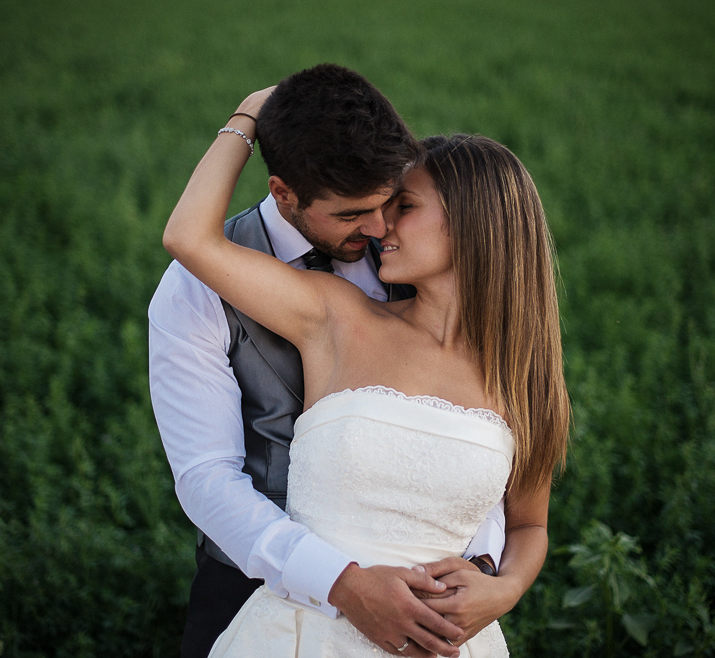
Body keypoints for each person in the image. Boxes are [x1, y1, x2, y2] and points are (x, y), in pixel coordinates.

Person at [160, 77, 570, 657]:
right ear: (283, 194)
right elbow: (186, 237)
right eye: (373, 209)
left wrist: (504, 588)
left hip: (443, 639)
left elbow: (529, 524)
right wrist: (248, 118)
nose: (382, 228)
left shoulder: (522, 375)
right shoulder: (337, 315)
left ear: (474, 224)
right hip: (295, 622)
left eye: (401, 206)